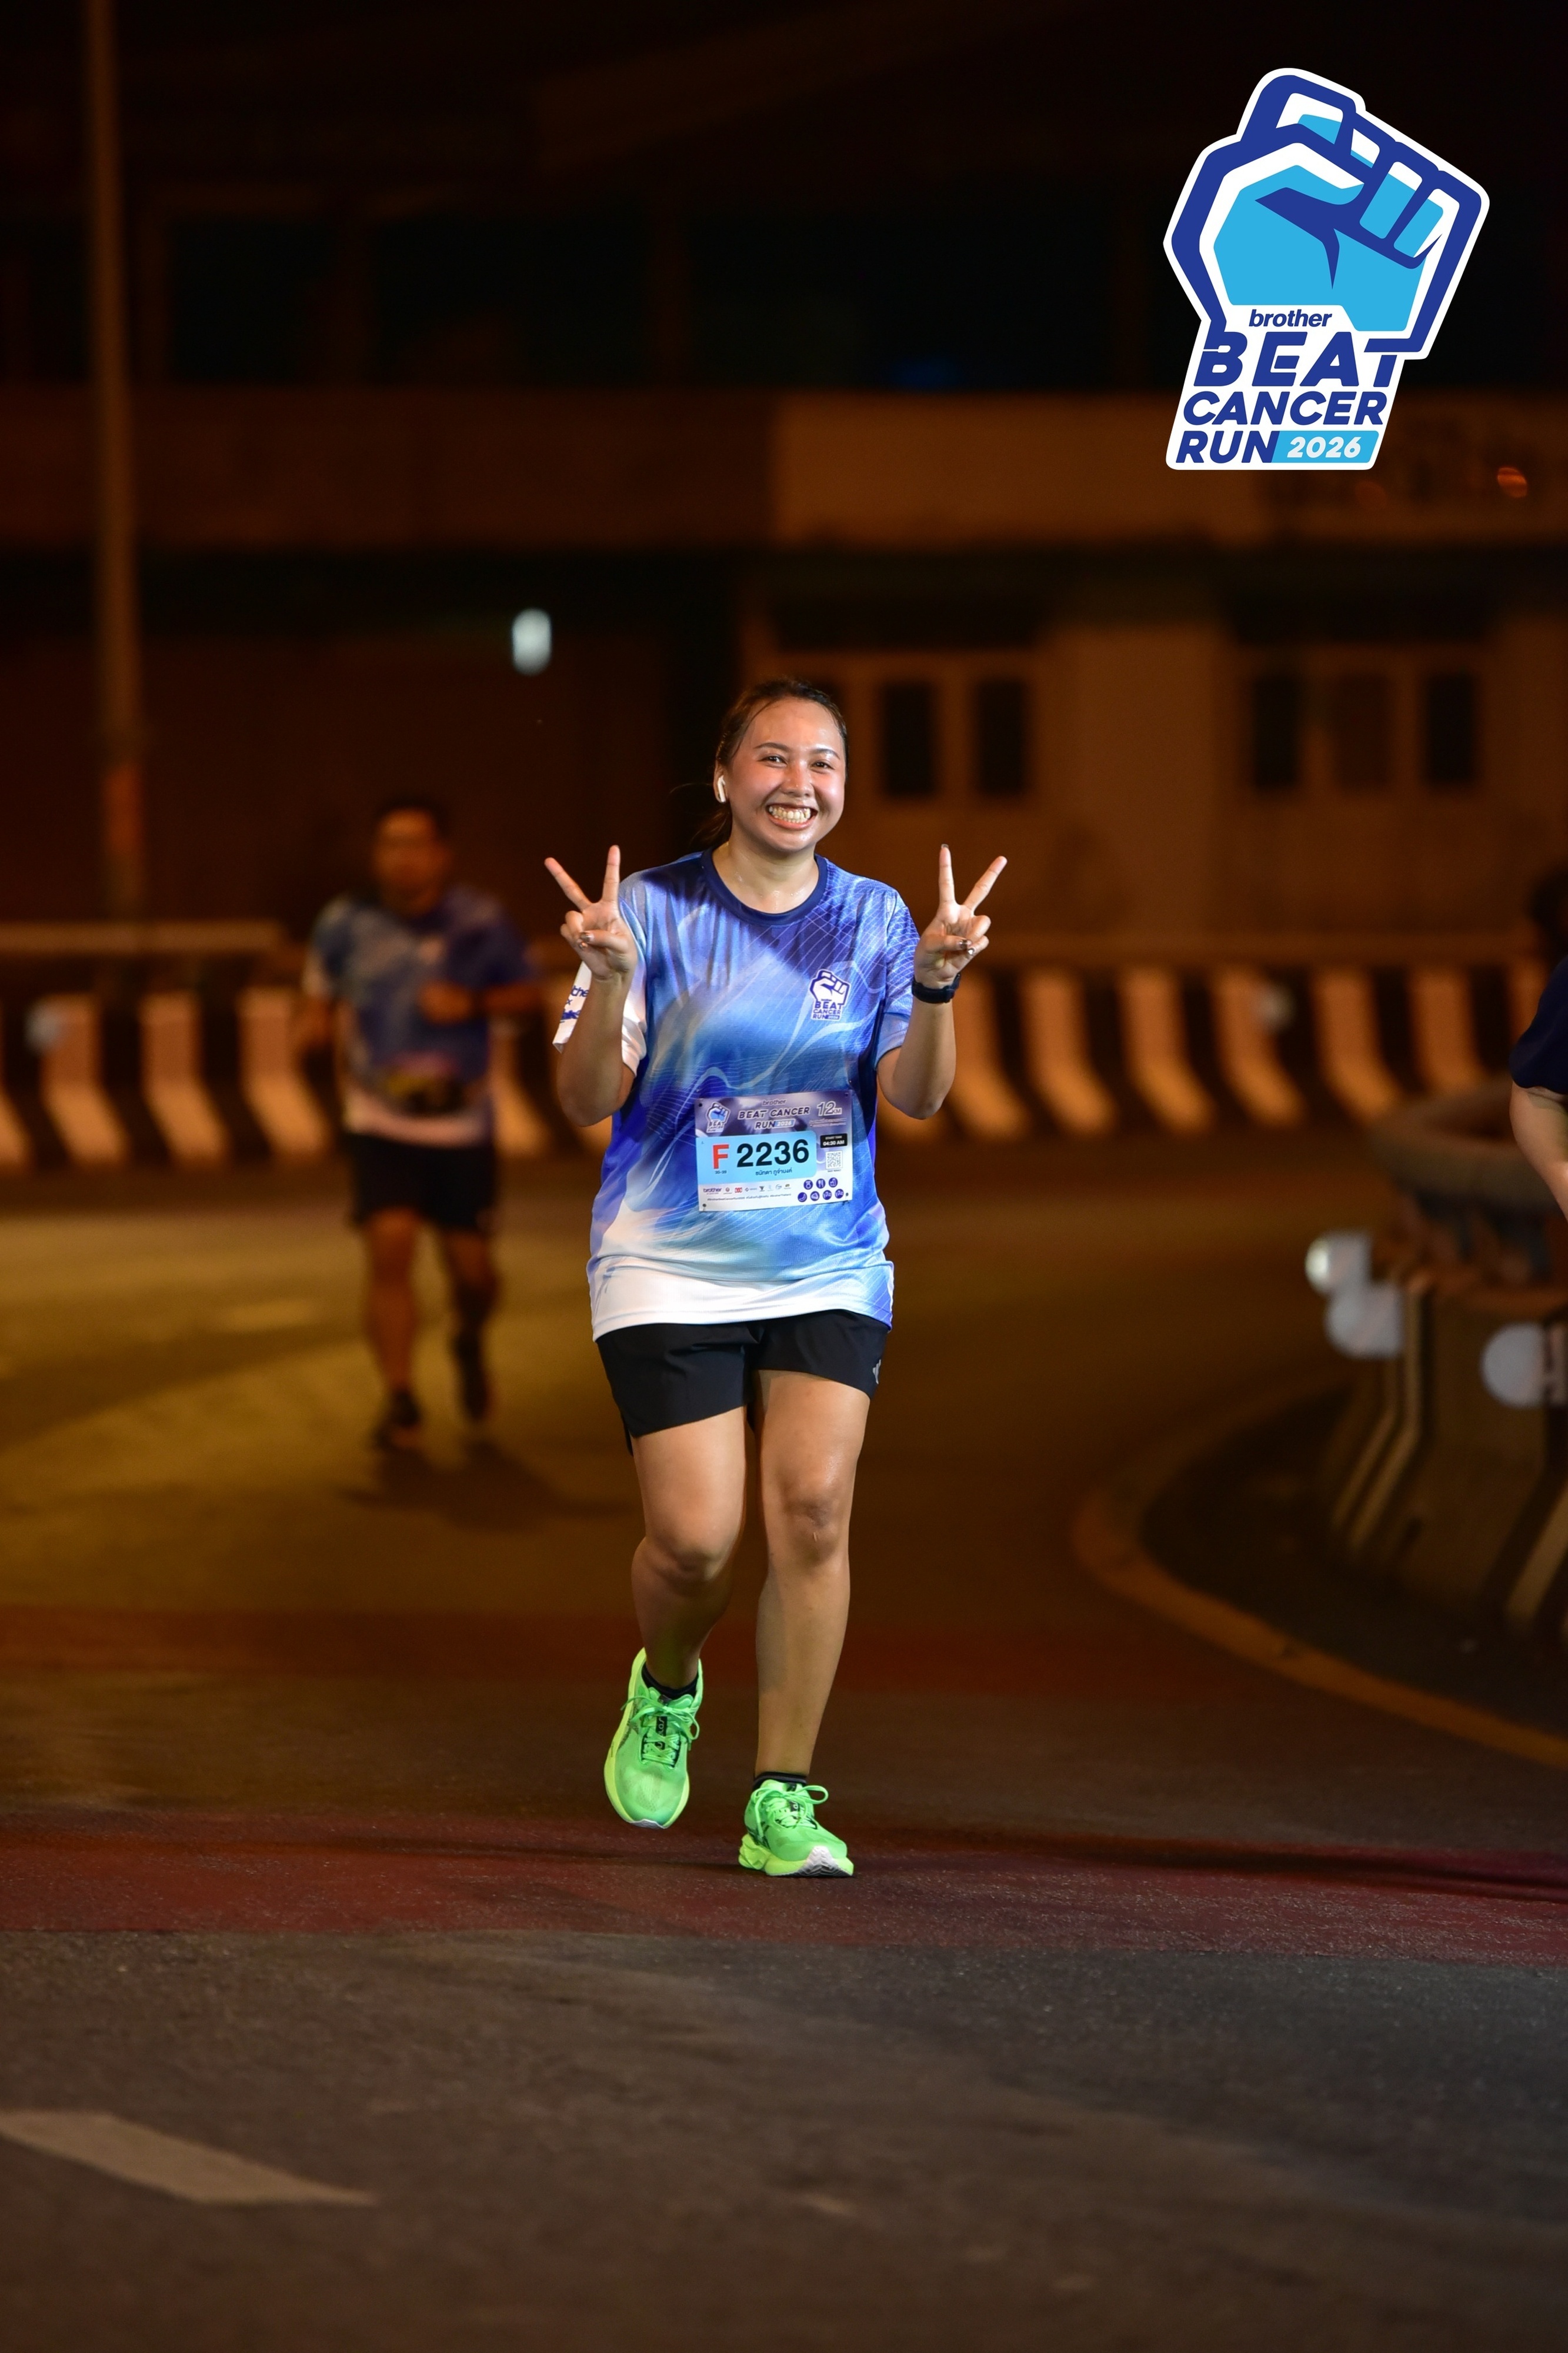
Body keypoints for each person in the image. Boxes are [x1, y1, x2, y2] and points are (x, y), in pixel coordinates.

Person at [546, 679, 1003, 1878]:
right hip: (667, 1260)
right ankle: (667, 1681)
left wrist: (938, 984)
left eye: (823, 763)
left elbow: (917, 1098)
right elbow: (585, 1100)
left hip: (827, 1259)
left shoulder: (877, 916)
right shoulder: (649, 911)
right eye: (772, 758)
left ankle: (781, 1796)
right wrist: (604, 976)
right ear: (723, 776)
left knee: (810, 1510)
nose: (799, 782)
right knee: (695, 1543)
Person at [297, 795, 535, 1451]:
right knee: (391, 1245)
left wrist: (472, 1003)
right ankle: (400, 1397)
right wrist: (310, 1024)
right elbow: (318, 993)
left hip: (461, 1123)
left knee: (473, 1273)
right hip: (379, 1116)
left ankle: (469, 1335)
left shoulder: (481, 921)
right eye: (389, 844)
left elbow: (529, 994)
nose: (402, 857)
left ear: (441, 854)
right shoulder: (346, 923)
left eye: (415, 844)